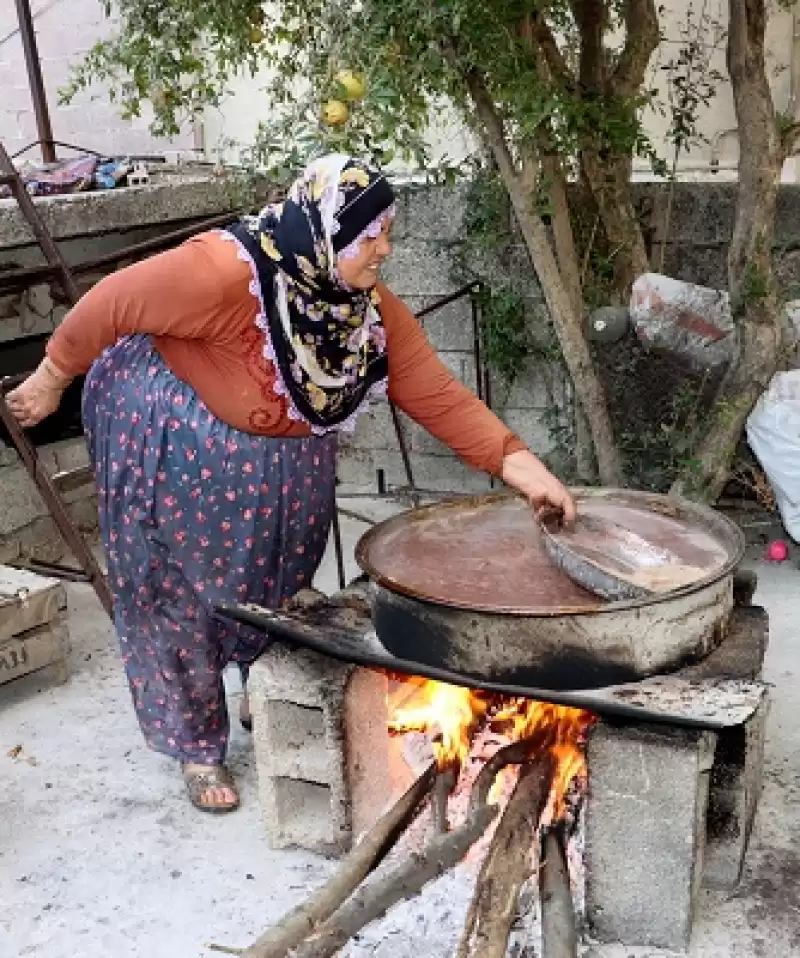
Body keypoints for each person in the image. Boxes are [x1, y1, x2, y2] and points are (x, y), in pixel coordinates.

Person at [7, 154, 575, 814]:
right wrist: (50, 380)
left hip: (281, 461)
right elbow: (112, 301)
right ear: (324, 233)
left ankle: (261, 678)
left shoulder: (360, 312)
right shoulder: (225, 272)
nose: (385, 250)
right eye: (372, 236)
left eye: (388, 232)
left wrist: (528, 473)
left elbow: (438, 395)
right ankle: (197, 743)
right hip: (176, 441)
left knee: (278, 576)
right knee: (183, 596)